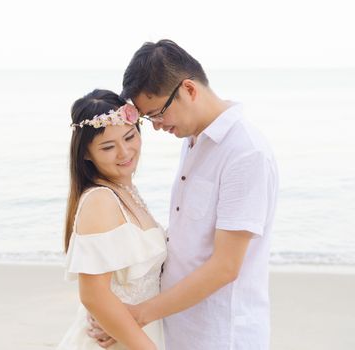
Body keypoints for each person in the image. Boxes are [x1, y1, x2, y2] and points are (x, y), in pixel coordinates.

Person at [87, 40, 279, 349]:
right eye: (149, 119)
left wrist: (138, 315)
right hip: (179, 327)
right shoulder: (193, 140)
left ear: (189, 89)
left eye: (158, 113)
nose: (158, 126)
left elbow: (226, 266)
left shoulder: (245, 153)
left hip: (220, 334)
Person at [56, 89, 167, 350]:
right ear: (86, 154)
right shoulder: (100, 200)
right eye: (108, 147)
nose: (124, 152)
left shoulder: (125, 191)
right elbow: (94, 295)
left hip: (136, 333)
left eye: (130, 136)